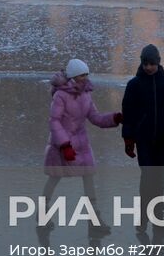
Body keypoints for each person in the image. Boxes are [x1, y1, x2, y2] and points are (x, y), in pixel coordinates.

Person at [43, 57, 121, 235]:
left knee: (89, 178)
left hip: (82, 145)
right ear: (72, 77)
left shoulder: (86, 94)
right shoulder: (60, 95)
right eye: (81, 76)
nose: (85, 78)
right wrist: (64, 144)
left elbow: (95, 117)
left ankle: (94, 222)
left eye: (86, 75)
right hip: (62, 145)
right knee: (54, 177)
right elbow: (54, 121)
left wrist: (114, 118)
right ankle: (42, 213)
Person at [121, 44, 164, 232]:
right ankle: (143, 216)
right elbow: (128, 114)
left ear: (158, 63)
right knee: (147, 177)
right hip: (143, 140)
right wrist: (128, 139)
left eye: (152, 63)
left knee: (158, 178)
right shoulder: (134, 85)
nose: (148, 67)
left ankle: (158, 216)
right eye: (145, 63)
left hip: (161, 140)